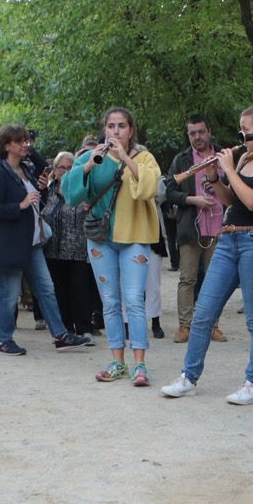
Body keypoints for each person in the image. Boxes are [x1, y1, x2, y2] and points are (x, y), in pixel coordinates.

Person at [160, 104, 253, 404]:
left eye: (246, 130)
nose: (241, 136)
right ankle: (189, 377)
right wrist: (215, 178)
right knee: (203, 312)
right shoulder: (246, 158)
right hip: (229, 238)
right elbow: (232, 201)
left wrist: (228, 169)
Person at [62, 106, 161, 386]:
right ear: (104, 130)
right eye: (111, 126)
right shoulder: (92, 156)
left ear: (131, 130)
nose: (115, 131)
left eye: (121, 126)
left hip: (134, 236)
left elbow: (150, 188)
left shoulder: (144, 157)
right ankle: (117, 361)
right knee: (110, 301)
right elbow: (70, 194)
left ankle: (140, 364)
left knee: (134, 300)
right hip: (101, 239)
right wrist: (88, 165)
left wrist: (125, 158)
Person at [0, 124, 88, 356]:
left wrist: (40, 191)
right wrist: (19, 205)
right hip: (10, 246)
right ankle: (3, 340)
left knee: (46, 289)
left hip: (31, 243)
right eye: (20, 141)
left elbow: (35, 204)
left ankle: (60, 335)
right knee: (9, 294)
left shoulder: (25, 169)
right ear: (6, 145)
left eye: (26, 140)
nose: (26, 144)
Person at [166, 114, 226, 344]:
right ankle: (185, 326)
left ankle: (213, 325)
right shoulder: (182, 159)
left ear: (209, 131)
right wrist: (192, 200)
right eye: (192, 133)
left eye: (201, 132)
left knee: (216, 280)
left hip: (219, 227)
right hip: (191, 226)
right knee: (187, 278)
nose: (197, 137)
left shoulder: (223, 155)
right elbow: (169, 191)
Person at [41, 150, 97, 342]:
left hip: (78, 249)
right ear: (54, 169)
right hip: (53, 250)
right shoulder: (47, 191)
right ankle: (65, 329)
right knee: (59, 291)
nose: (65, 171)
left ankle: (84, 328)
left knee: (79, 290)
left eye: (70, 168)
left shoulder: (83, 189)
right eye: (61, 167)